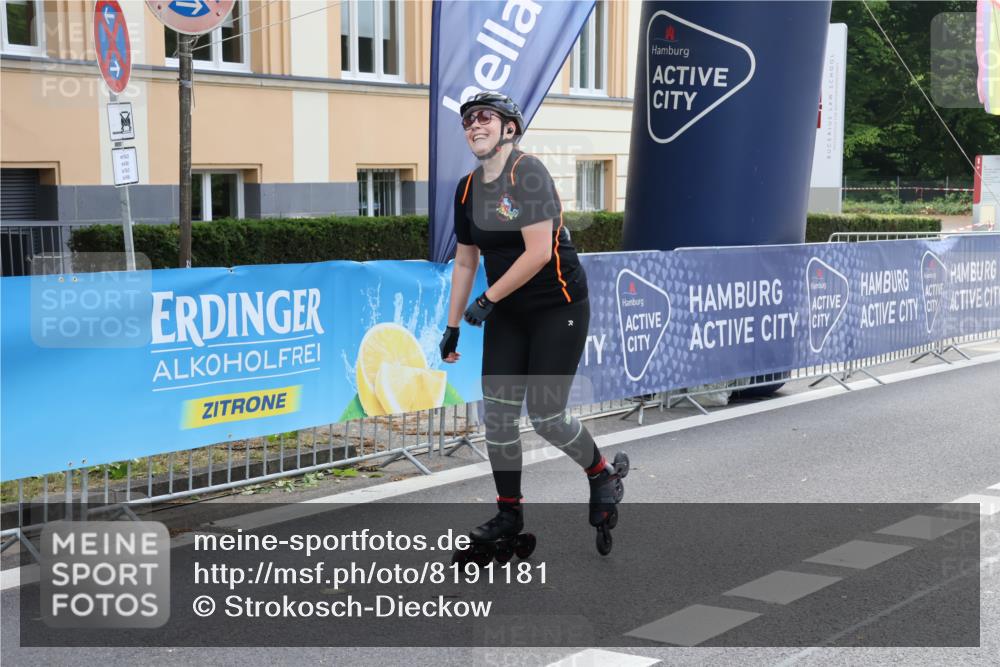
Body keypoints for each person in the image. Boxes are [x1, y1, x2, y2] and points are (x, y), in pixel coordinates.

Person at [438, 92, 628, 557]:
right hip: (509, 312)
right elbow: (465, 261)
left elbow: (539, 251)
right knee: (498, 416)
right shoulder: (466, 188)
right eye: (467, 121)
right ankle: (509, 512)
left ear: (509, 128)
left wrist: (488, 297)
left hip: (555, 307)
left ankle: (600, 471)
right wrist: (453, 326)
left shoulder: (529, 173)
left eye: (484, 117)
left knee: (546, 415)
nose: (473, 126)